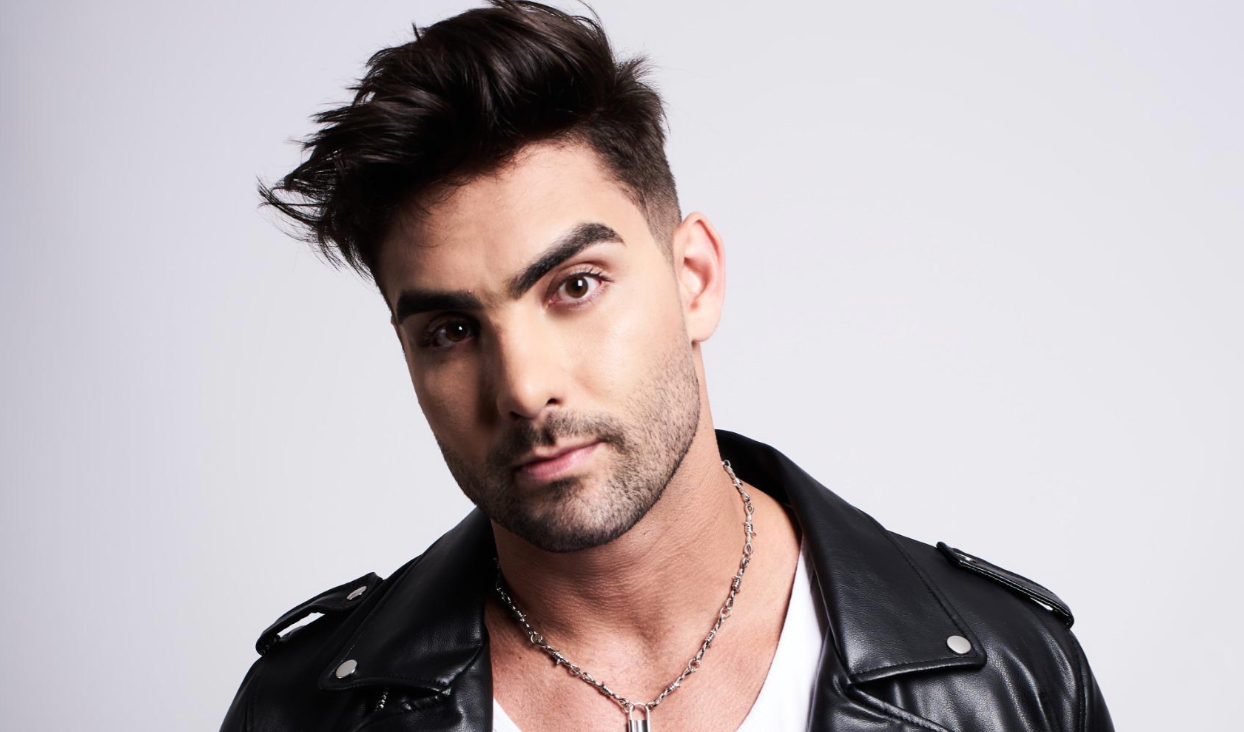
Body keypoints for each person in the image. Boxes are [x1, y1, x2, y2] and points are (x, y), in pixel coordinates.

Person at [220, 2, 1115, 730]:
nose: (524, 388)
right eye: (452, 331)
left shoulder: (1006, 680)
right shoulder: (301, 713)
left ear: (695, 280)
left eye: (575, 286)